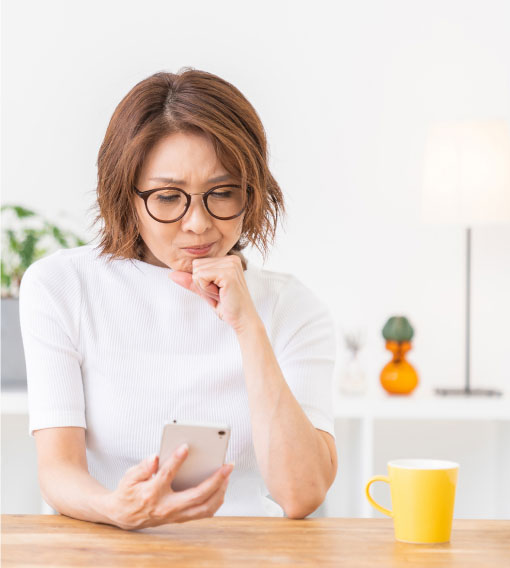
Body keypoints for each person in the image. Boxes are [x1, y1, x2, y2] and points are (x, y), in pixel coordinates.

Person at [18, 68, 338, 530]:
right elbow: (58, 471)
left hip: (250, 553)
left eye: (222, 193)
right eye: (169, 197)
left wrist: (248, 327)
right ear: (125, 196)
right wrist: (116, 509)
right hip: (111, 545)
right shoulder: (62, 285)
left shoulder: (292, 306)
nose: (198, 223)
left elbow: (301, 494)